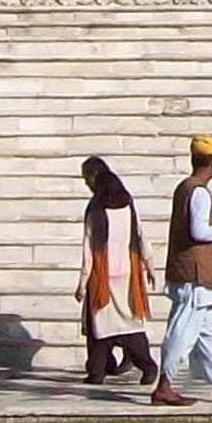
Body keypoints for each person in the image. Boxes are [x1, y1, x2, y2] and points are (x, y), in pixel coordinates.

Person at [156, 136, 212, 405]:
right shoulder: (198, 191)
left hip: (197, 277)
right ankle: (164, 384)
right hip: (195, 277)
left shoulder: (185, 188)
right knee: (182, 333)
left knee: (209, 335)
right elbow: (199, 231)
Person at [74, 157, 157, 387]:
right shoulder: (127, 203)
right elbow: (141, 236)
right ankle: (146, 366)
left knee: (99, 327)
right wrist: (149, 265)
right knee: (129, 324)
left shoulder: (95, 207)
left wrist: (82, 283)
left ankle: (97, 372)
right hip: (128, 275)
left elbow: (89, 249)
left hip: (102, 277)